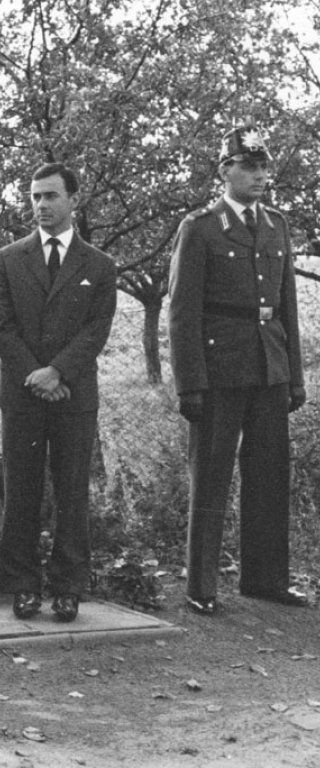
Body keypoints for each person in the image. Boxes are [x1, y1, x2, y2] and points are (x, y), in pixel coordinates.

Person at [168, 125, 306, 616]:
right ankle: (201, 585)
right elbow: (182, 311)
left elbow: (287, 303)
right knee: (211, 477)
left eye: (264, 166)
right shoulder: (201, 226)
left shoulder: (276, 225)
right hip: (219, 368)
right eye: (249, 166)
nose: (260, 176)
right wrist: (190, 383)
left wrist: (294, 377)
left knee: (270, 476)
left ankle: (265, 579)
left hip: (268, 365)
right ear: (224, 170)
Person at [0, 162, 117, 623]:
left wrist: (59, 372)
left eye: (51, 196)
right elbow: (1, 329)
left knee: (71, 493)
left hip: (73, 396)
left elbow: (96, 330)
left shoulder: (99, 265)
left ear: (73, 201)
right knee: (21, 490)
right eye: (35, 197)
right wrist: (37, 376)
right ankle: (23, 585)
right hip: (24, 395)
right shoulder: (9, 258)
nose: (41, 205)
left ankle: (68, 587)